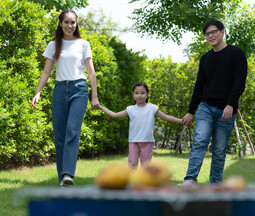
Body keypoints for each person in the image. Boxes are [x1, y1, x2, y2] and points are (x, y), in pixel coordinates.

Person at [31, 9, 99, 187]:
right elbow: (46, 72)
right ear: (61, 24)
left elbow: (91, 72)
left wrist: (95, 96)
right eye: (66, 22)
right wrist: (38, 91)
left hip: (79, 90)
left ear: (76, 24)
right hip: (60, 91)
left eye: (73, 22)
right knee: (59, 136)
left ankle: (68, 174)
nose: (70, 25)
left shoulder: (83, 44)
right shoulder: (54, 45)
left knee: (72, 130)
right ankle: (63, 180)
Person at [182, 19, 247, 184]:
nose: (210, 36)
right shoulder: (205, 59)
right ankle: (190, 180)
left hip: (226, 110)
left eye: (213, 32)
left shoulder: (236, 53)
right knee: (200, 140)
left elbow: (240, 82)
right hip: (206, 107)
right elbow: (199, 86)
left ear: (222, 32)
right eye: (207, 34)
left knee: (219, 150)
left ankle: (215, 186)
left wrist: (231, 104)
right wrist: (191, 111)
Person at [97, 82, 183, 169]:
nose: (139, 95)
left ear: (147, 95)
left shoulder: (152, 108)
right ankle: (131, 182)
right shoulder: (130, 109)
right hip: (134, 141)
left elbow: (166, 117)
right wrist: (100, 107)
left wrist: (181, 121)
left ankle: (145, 182)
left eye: (142, 93)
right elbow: (115, 115)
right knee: (132, 165)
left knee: (146, 167)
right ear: (133, 95)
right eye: (137, 93)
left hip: (147, 141)